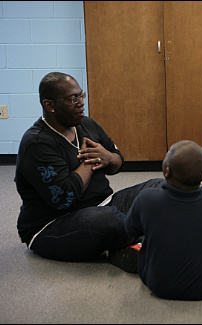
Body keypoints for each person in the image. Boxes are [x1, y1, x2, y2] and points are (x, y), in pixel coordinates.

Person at [15, 72, 165, 272]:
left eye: (81, 95)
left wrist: (108, 157)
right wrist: (91, 160)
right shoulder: (37, 143)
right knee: (110, 221)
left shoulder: (86, 124)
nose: (81, 103)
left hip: (104, 204)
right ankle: (146, 241)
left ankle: (134, 243)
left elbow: (117, 161)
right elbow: (65, 198)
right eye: (72, 99)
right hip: (53, 224)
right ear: (49, 105)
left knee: (161, 188)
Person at [124, 140, 202, 300]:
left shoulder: (146, 198)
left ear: (167, 171)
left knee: (149, 237)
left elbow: (130, 230)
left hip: (156, 283)